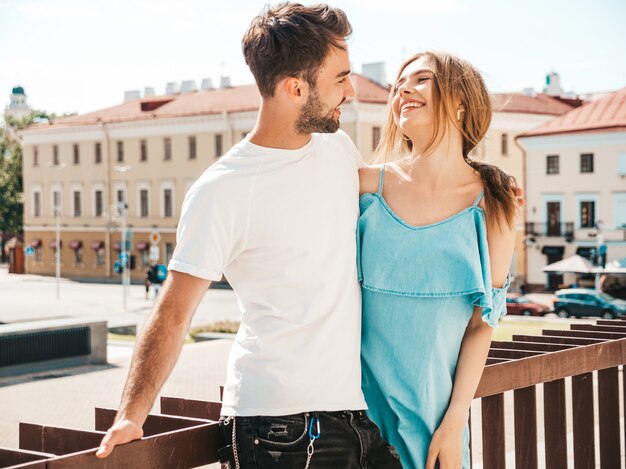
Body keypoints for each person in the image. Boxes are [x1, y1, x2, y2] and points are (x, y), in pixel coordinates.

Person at [96, 3, 401, 469]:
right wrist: (131, 415)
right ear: (295, 88)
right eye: (340, 78)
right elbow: (173, 313)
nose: (352, 91)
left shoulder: (337, 148)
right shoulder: (223, 189)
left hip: (356, 410)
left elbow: (395, 187)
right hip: (278, 430)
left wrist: (482, 186)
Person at [357, 51, 518, 469]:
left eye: (422, 79)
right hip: (350, 414)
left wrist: (454, 420)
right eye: (398, 85)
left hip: (433, 429)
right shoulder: (364, 185)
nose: (403, 90)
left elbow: (482, 325)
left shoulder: (496, 202)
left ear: (461, 101)